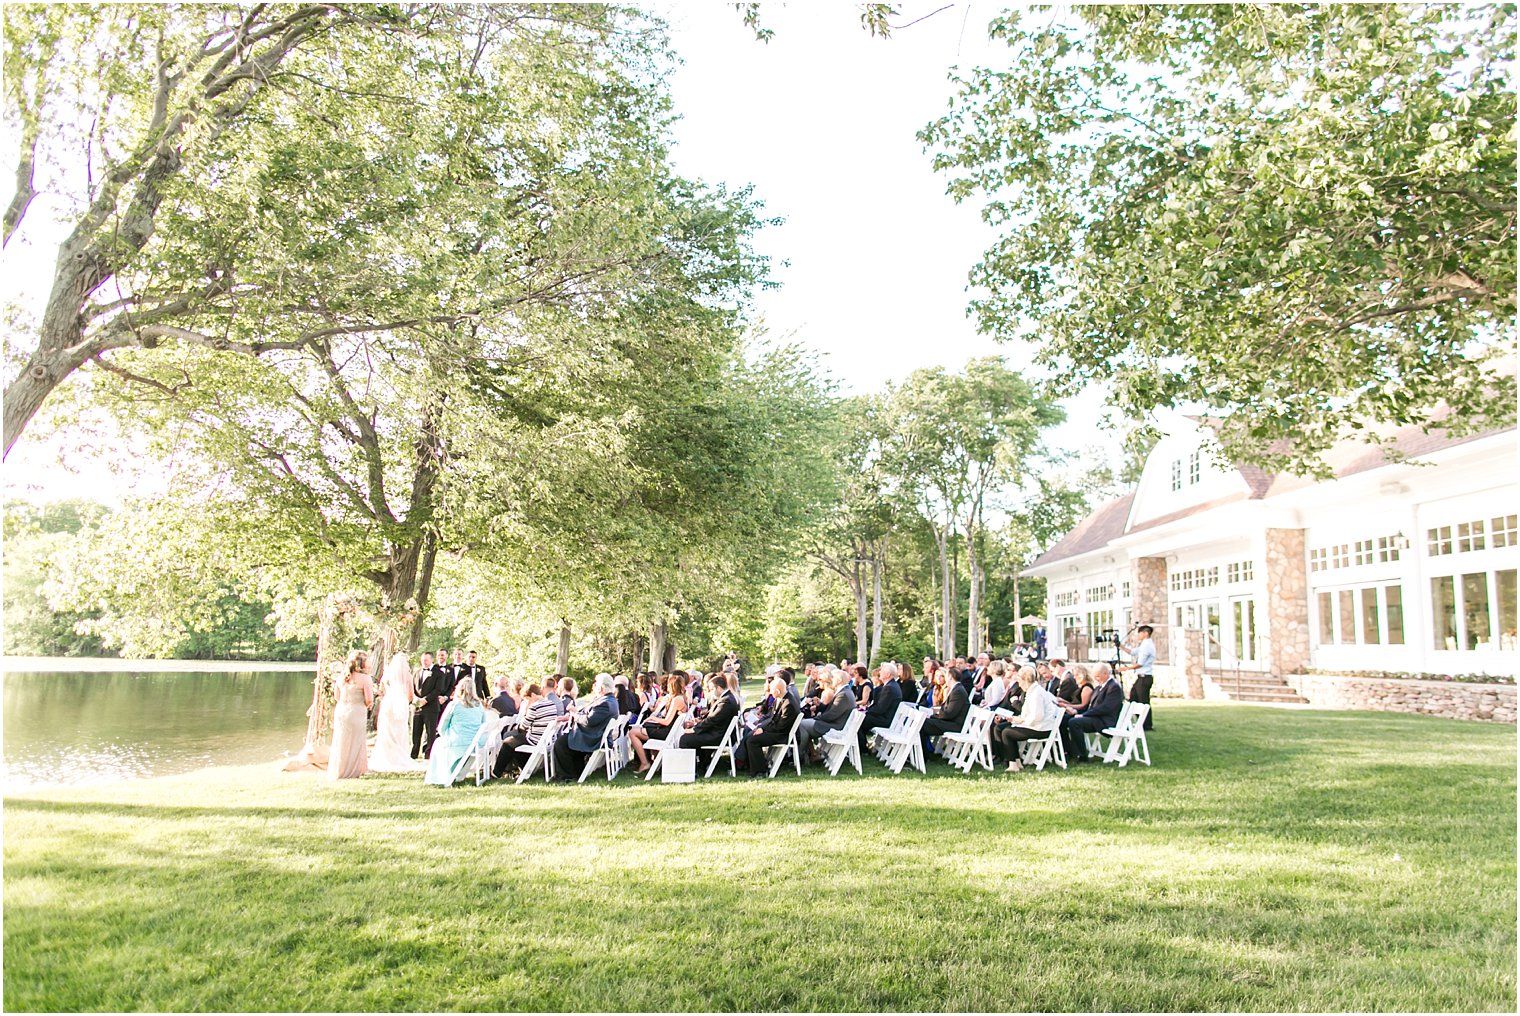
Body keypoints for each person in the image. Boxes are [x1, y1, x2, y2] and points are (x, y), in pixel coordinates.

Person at [989, 666, 1061, 772]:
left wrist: (1020, 721)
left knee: (1007, 732)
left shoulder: (1037, 693)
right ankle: (1016, 762)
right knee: (1005, 729)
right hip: (1036, 725)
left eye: (1020, 682)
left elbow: (1037, 717)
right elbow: (1029, 714)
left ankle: (1013, 764)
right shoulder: (1032, 691)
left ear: (1025, 681)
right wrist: (1016, 719)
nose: (1019, 685)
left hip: (1042, 728)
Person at [551, 674, 620, 781]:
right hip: (592, 733)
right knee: (566, 742)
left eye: (595, 684)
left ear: (601, 688)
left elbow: (588, 721)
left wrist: (574, 714)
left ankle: (566, 775)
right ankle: (576, 771)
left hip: (592, 737)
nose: (593, 686)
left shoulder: (605, 703)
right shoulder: (608, 700)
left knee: (560, 744)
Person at [425, 678, 488, 785]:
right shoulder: (479, 705)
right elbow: (484, 723)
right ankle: (454, 773)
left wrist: (447, 736)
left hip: (459, 742)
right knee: (441, 744)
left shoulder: (454, 705)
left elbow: (441, 727)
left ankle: (437, 777)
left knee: (437, 743)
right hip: (476, 742)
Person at [1061, 663, 1125, 763]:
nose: (1096, 679)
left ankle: (1082, 756)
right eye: (1095, 676)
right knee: (1064, 720)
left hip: (1104, 720)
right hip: (1095, 717)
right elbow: (1090, 706)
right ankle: (1067, 751)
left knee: (1074, 722)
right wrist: (1076, 712)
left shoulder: (1113, 687)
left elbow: (1105, 708)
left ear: (1105, 673)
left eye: (1098, 676)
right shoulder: (1100, 687)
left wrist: (1084, 715)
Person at [493, 683, 557, 779]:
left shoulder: (535, 706)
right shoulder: (551, 703)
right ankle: (525, 770)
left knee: (507, 743)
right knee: (515, 742)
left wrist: (526, 711)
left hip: (535, 739)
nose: (527, 701)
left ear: (533, 695)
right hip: (546, 739)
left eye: (527, 699)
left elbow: (523, 727)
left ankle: (496, 773)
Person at [370, 652, 421, 772]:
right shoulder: (408, 676)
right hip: (401, 704)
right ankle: (399, 756)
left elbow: (381, 691)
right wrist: (404, 702)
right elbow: (410, 695)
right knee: (399, 731)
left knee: (387, 731)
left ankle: (386, 756)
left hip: (388, 704)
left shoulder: (387, 675)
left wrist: (387, 697)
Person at [328, 650, 374, 780]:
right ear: (362, 664)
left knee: (341, 740)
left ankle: (339, 769)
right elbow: (369, 700)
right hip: (356, 712)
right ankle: (354, 771)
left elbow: (336, 697)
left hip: (341, 711)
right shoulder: (365, 678)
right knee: (355, 741)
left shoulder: (341, 677)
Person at [744, 675, 801, 778]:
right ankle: (751, 766)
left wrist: (763, 729)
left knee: (753, 740)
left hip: (782, 735)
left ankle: (760, 771)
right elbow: (772, 717)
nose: (770, 693)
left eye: (772, 690)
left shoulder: (789, 704)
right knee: (750, 735)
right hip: (777, 730)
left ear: (778, 691)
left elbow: (781, 726)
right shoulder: (780, 698)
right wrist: (760, 726)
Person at [630, 674, 687, 773]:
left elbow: (667, 721)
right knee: (638, 730)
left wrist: (653, 718)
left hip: (666, 732)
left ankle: (645, 763)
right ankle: (650, 760)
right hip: (668, 730)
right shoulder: (683, 698)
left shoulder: (677, 700)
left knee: (632, 732)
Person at [676, 674, 739, 758]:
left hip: (717, 735)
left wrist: (694, 729)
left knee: (685, 739)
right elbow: (712, 716)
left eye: (712, 689)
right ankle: (701, 763)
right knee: (688, 736)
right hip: (717, 731)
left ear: (719, 688)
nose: (710, 691)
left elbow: (712, 720)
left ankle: (689, 768)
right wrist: (698, 721)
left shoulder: (726, 701)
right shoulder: (725, 698)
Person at [800, 670, 856, 760]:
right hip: (835, 723)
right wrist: (820, 706)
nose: (831, 679)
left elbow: (832, 715)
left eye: (833, 678)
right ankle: (809, 754)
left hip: (836, 726)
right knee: (803, 723)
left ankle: (800, 756)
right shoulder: (844, 691)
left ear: (839, 680)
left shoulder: (843, 694)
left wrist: (816, 718)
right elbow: (831, 710)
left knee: (801, 725)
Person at [920, 665, 970, 761]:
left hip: (955, 724)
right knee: (923, 722)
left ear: (950, 677)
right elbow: (945, 709)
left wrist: (932, 715)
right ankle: (921, 753)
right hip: (951, 721)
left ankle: (923, 756)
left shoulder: (958, 691)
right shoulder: (955, 689)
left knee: (923, 724)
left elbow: (949, 713)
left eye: (945, 676)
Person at [858, 662, 903, 755]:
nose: (880, 674)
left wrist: (866, 712)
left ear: (888, 674)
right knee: (861, 719)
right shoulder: (890, 685)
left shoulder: (889, 688)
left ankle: (863, 750)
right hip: (886, 717)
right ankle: (862, 747)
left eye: (882, 672)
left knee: (858, 721)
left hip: (886, 720)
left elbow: (880, 709)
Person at [1122, 625, 1156, 730]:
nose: (1138, 635)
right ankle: (1141, 722)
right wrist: (1119, 646)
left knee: (1143, 701)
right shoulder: (1144, 645)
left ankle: (1147, 725)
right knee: (1133, 698)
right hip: (1141, 677)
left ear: (1145, 633)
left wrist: (1126, 668)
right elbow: (1132, 652)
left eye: (1140, 633)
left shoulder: (1147, 646)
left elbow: (1140, 663)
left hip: (1145, 677)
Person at [410, 651, 434, 759]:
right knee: (416, 731)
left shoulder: (437, 673)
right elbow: (414, 687)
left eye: (426, 659)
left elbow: (438, 689)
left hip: (431, 706)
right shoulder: (417, 672)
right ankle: (414, 753)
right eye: (422, 660)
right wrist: (417, 699)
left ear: (431, 660)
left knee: (430, 731)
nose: (424, 662)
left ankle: (428, 753)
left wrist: (427, 699)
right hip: (418, 706)